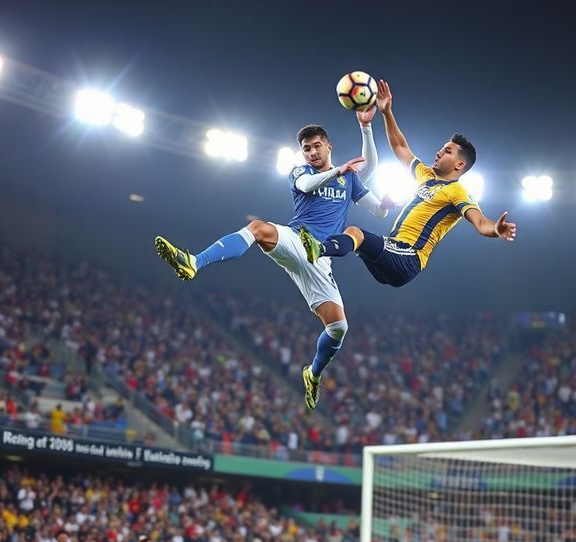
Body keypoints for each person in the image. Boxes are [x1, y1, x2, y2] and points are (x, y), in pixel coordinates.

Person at [155, 108, 392, 410]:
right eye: (306, 148)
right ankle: (193, 262)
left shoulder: (350, 181)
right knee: (258, 228)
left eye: (317, 145)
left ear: (328, 146)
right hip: (297, 241)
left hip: (320, 258)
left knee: (338, 329)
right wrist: (339, 171)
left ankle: (313, 373)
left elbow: (378, 207)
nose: (311, 152)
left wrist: (367, 127)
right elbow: (307, 186)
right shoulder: (301, 172)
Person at [299, 79, 516, 288]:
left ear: (460, 164)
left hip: (409, 256)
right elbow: (401, 148)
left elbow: (480, 222)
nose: (440, 152)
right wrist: (386, 112)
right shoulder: (426, 175)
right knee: (354, 239)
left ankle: (318, 250)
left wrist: (496, 229)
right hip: (394, 250)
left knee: (355, 233)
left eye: (447, 151)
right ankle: (321, 256)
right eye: (442, 147)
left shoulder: (457, 191)